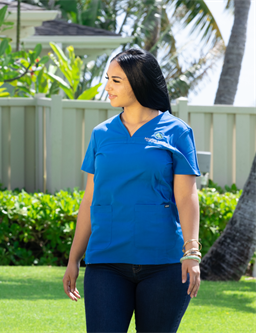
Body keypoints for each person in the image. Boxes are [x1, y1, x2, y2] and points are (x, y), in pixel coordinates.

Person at [63, 48, 202, 333]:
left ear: (138, 83)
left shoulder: (177, 132)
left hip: (164, 263)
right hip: (106, 262)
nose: (107, 87)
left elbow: (186, 197)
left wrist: (192, 252)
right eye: (107, 79)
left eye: (116, 81)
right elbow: (90, 199)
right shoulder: (101, 134)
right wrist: (73, 259)